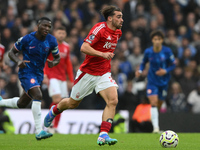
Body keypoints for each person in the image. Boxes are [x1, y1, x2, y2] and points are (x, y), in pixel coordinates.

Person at [44, 5, 123, 146]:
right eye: (118, 17)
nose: (122, 20)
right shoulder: (99, 29)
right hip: (87, 73)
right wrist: (102, 54)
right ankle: (54, 111)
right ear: (110, 18)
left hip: (104, 73)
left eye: (122, 16)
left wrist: (105, 58)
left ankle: (103, 135)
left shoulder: (118, 32)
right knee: (72, 103)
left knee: (113, 100)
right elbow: (84, 47)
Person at [0, 17, 60, 140]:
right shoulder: (27, 39)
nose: (47, 29)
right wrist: (18, 61)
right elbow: (11, 53)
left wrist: (53, 63)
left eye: (49, 27)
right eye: (44, 26)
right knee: (38, 95)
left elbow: (57, 57)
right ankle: (39, 131)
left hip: (38, 74)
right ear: (38, 25)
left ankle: (0, 102)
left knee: (22, 103)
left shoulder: (52, 40)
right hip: (26, 72)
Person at [135, 30, 176, 133]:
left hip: (164, 82)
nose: (157, 41)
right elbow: (143, 63)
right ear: (152, 40)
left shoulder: (167, 51)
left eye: (159, 39)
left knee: (158, 104)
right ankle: (156, 128)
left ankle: (154, 121)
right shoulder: (148, 52)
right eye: (155, 39)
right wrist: (140, 70)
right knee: (153, 102)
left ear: (162, 40)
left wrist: (165, 71)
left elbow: (173, 64)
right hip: (152, 81)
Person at [43, 26, 74, 133]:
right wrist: (45, 74)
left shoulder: (66, 47)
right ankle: (50, 123)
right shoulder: (50, 45)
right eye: (59, 33)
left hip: (62, 78)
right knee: (57, 100)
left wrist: (71, 79)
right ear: (55, 34)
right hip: (52, 76)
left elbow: (68, 64)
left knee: (62, 103)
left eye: (63, 33)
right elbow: (45, 60)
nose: (61, 35)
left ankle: (55, 127)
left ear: (65, 35)